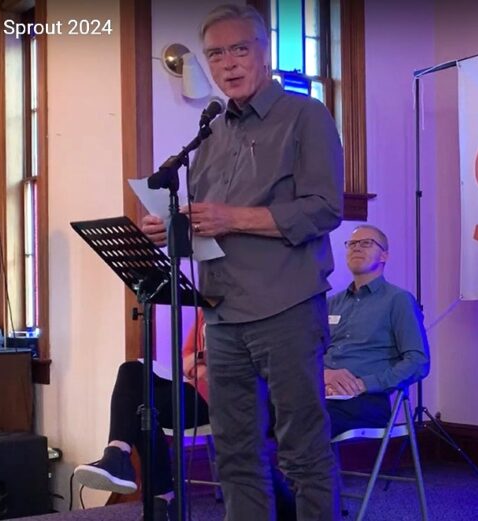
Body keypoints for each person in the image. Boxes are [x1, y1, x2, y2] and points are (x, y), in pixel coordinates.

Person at [140, 4, 344, 520]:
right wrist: (173, 230)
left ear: (264, 52)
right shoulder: (209, 133)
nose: (227, 63)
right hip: (222, 315)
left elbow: (324, 210)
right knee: (232, 453)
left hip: (287, 308)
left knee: (302, 448)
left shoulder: (306, 115)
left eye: (239, 49)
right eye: (215, 54)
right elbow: (210, 227)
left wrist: (234, 217)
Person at [72, 317, 210, 516]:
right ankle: (117, 452)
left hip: (217, 400)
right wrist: (201, 362)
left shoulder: (245, 309)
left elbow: (229, 359)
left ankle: (158, 494)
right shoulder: (202, 309)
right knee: (130, 372)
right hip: (191, 386)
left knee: (138, 404)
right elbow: (186, 358)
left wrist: (200, 364)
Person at [322, 224, 431, 436]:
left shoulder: (398, 300)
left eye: (366, 243)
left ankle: (303, 469)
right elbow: (309, 353)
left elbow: (418, 362)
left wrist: (363, 384)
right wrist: (324, 374)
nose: (357, 248)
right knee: (258, 410)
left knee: (303, 420)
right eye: (352, 244)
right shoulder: (331, 303)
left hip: (364, 400)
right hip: (321, 393)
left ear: (384, 256)